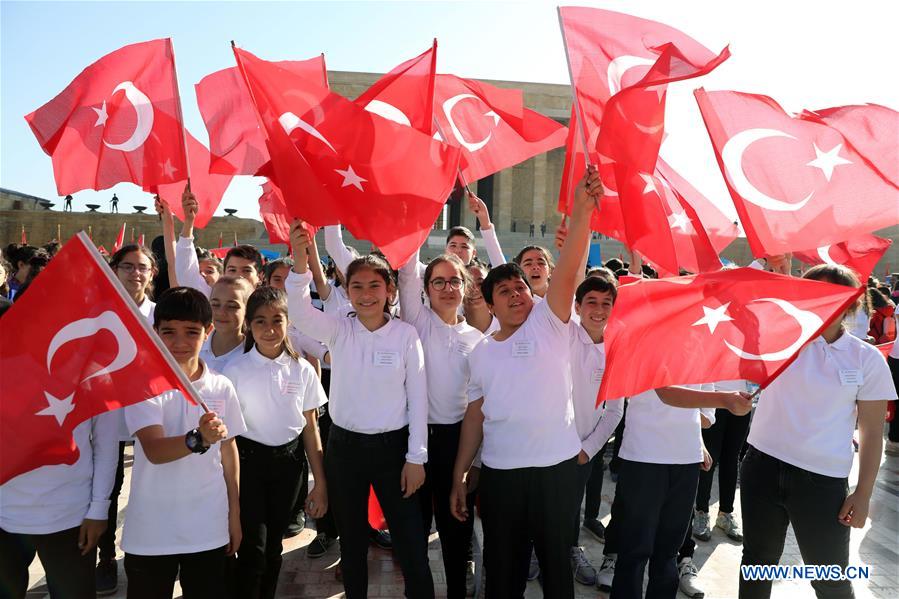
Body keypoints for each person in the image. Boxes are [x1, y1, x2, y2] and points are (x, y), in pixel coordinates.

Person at [449, 167, 601, 598]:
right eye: (506, 292)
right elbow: (475, 416)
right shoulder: (479, 351)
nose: (517, 295)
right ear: (491, 304)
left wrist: (582, 210)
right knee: (503, 571)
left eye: (521, 288)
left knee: (557, 571)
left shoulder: (550, 323)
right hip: (501, 476)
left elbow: (569, 268)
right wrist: (462, 472)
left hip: (556, 471)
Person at [287, 221, 433, 599]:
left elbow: (418, 399)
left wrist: (416, 457)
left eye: (375, 286)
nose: (366, 294)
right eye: (357, 286)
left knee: (410, 541)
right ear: (346, 290)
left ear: (389, 290)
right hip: (345, 451)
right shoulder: (338, 330)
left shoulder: (405, 335)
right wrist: (301, 259)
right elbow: (300, 314)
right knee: (352, 543)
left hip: (393, 451)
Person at [739, 264, 896, 599]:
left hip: (822, 484)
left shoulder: (866, 359)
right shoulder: (778, 341)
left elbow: (871, 433)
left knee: (830, 580)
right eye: (812, 295)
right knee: (757, 564)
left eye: (834, 297)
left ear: (851, 304)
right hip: (761, 468)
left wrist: (863, 493)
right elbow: (744, 305)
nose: (822, 304)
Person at [122, 287, 246, 599]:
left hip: (208, 526)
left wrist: (234, 514)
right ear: (155, 332)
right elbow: (154, 450)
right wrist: (198, 438)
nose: (179, 342)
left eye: (191, 332)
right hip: (151, 529)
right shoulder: (143, 384)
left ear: (208, 331)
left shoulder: (221, 385)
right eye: (169, 332)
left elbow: (228, 451)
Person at [223, 287, 328, 598]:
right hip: (249, 465)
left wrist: (319, 482)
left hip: (289, 466)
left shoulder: (303, 369)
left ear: (288, 322)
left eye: (277, 321)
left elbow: (310, 429)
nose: (269, 330)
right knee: (252, 548)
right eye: (260, 322)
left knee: (273, 548)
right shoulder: (235, 371)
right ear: (248, 326)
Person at [398, 246, 484, 598]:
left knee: (456, 531)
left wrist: (472, 462)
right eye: (438, 282)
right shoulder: (416, 323)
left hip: (458, 444)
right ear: (425, 288)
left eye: (454, 281)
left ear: (465, 287)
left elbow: (479, 408)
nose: (447, 289)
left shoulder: (478, 340)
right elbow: (405, 271)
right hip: (415, 442)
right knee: (414, 531)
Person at [93, 244, 160, 594]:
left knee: (149, 490)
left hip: (151, 416)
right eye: (127, 266)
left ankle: (147, 556)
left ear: (152, 274)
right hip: (107, 416)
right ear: (114, 270)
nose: (135, 273)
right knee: (107, 487)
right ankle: (105, 558)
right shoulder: (98, 314)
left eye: (143, 267)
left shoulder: (160, 315)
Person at [0, 413, 117, 597]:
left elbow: (106, 443)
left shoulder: (95, 382)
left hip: (70, 517)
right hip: (5, 516)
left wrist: (99, 508)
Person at [568, 274, 625, 586]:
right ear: (577, 306)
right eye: (591, 302)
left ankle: (571, 549)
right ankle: (537, 549)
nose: (599, 309)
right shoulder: (563, 337)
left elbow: (615, 411)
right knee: (544, 505)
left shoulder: (617, 351)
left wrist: (587, 449)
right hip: (549, 444)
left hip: (582, 450)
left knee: (573, 504)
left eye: (607, 303)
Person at [693, 380, 751, 544]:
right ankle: (701, 512)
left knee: (732, 458)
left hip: (742, 399)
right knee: (709, 458)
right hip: (716, 396)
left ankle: (725, 513)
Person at [176, 186, 262, 296]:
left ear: (260, 276)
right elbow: (186, 271)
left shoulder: (269, 308)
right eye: (232, 270)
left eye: (246, 270)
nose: (238, 276)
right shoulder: (211, 300)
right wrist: (189, 221)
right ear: (223, 275)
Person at [201, 276, 255, 373]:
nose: (221, 312)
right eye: (215, 304)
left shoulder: (253, 354)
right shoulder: (195, 345)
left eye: (232, 306)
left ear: (247, 310)